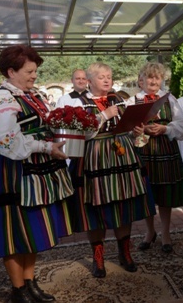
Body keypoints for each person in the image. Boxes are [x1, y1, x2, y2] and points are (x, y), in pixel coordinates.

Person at [0, 45, 72, 303]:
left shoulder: (30, 95)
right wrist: (47, 147)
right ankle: (18, 290)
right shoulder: (2, 98)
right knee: (13, 233)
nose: (34, 76)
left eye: (35, 71)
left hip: (36, 168)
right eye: (29, 71)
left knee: (32, 231)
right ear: (10, 71)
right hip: (13, 172)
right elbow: (8, 144)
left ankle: (30, 283)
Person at [67, 63, 155, 278]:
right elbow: (78, 136)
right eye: (101, 77)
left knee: (123, 207)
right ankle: (98, 257)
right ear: (89, 81)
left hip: (123, 157)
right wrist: (103, 116)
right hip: (94, 160)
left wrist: (138, 132)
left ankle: (125, 253)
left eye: (109, 76)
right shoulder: (78, 103)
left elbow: (134, 134)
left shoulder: (120, 100)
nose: (107, 80)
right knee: (96, 210)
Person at [128, 62, 183, 253]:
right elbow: (125, 130)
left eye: (157, 77)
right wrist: (137, 130)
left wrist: (165, 128)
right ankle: (149, 232)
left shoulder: (169, 99)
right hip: (143, 150)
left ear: (162, 80)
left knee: (165, 194)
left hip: (165, 148)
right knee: (147, 193)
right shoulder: (132, 101)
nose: (154, 81)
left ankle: (165, 234)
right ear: (142, 80)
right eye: (150, 77)